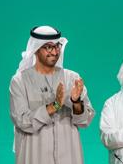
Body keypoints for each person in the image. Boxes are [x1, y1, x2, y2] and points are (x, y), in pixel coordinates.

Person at [9, 25, 95, 164]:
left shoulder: (72, 78)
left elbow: (84, 120)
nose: (55, 52)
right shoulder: (20, 81)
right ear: (36, 49)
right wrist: (54, 106)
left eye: (57, 46)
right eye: (49, 47)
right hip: (34, 156)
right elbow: (22, 121)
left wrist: (76, 101)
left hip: (69, 156)